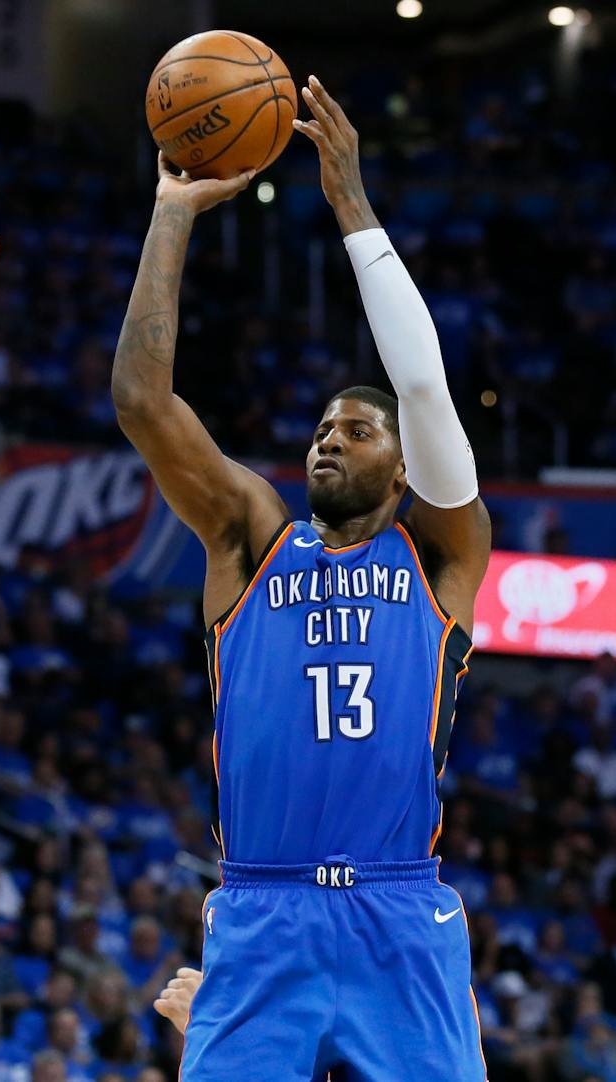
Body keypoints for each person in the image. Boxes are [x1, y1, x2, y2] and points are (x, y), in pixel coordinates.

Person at [111, 76, 491, 1080]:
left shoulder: (441, 554)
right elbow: (143, 402)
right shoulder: (249, 539)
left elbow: (420, 386)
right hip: (261, 905)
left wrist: (353, 208)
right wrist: (170, 216)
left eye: (354, 430)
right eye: (321, 425)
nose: (328, 436)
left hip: (400, 908)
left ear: (404, 464)